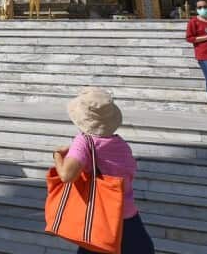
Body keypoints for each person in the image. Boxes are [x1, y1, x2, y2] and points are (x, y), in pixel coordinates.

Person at [53, 87, 155, 254]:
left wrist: (57, 155)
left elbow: (66, 175)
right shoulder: (121, 144)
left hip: (101, 220)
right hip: (129, 218)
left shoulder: (84, 141)